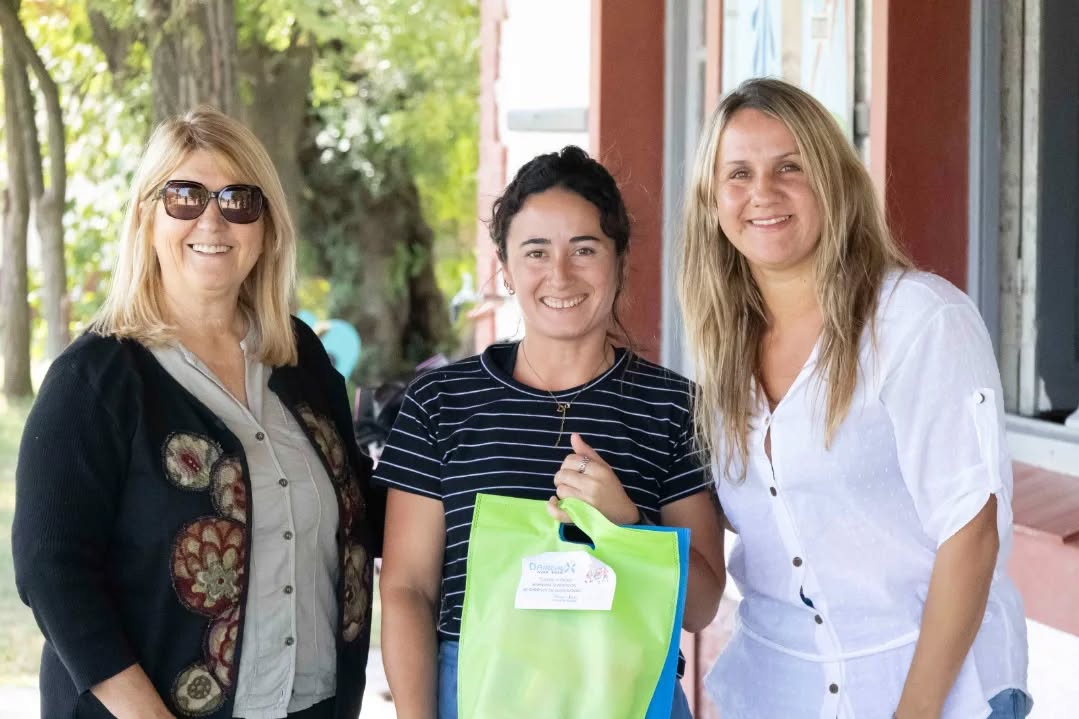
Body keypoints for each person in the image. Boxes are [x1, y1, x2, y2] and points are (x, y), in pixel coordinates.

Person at [678, 77, 1030, 719]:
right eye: (739, 174)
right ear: (711, 201)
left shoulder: (916, 321)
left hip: (932, 691)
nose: (763, 192)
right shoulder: (721, 351)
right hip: (777, 692)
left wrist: (914, 712)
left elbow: (972, 532)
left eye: (791, 166)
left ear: (834, 180)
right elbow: (768, 514)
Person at [13, 107, 380, 719]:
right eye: (183, 196)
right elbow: (51, 571)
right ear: (146, 217)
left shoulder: (299, 356)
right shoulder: (95, 379)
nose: (212, 219)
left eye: (239, 200)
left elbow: (361, 506)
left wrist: (467, 466)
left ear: (266, 225)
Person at [375, 146, 727, 719]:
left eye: (584, 249)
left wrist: (627, 526)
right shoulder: (441, 402)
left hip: (627, 688)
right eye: (536, 251)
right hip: (477, 691)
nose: (559, 274)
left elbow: (701, 607)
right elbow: (408, 589)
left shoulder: (672, 406)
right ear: (505, 268)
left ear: (620, 259)